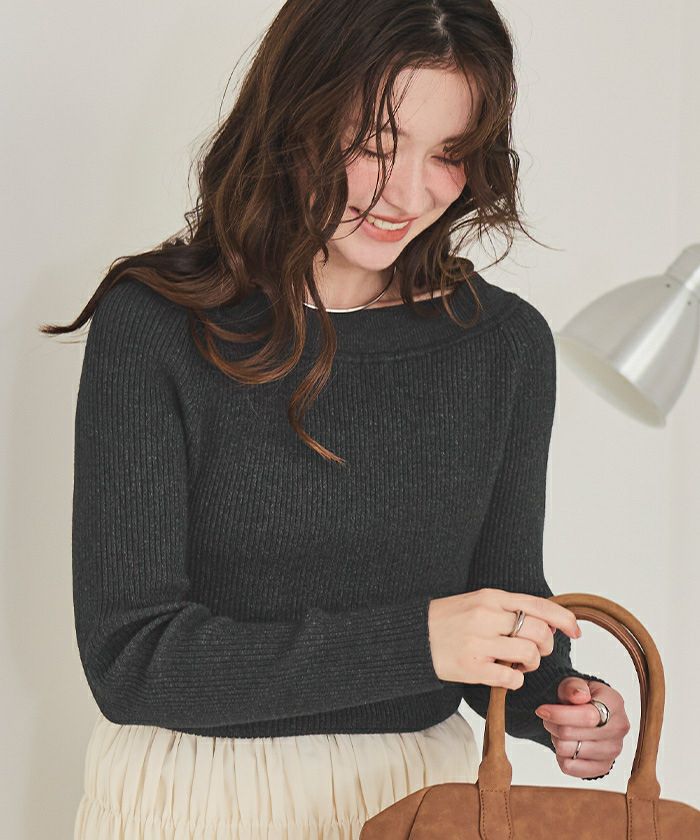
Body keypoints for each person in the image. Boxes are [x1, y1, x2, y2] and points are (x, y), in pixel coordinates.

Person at [42, 0, 631, 837]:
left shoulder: (503, 346)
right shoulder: (158, 326)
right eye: (376, 146)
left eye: (450, 153)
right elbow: (131, 661)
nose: (410, 193)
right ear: (294, 120)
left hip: (419, 801)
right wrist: (417, 643)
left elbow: (499, 603)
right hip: (197, 803)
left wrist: (560, 704)